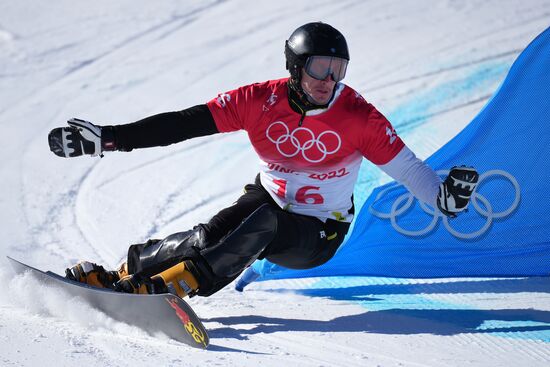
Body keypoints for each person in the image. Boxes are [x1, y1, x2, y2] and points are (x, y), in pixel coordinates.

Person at [47, 22, 479, 298]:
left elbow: (407, 168)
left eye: (338, 69)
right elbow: (183, 124)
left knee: (262, 225)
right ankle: (122, 273)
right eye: (320, 68)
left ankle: (170, 287)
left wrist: (441, 198)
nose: (330, 80)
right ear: (295, 67)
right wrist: (108, 139)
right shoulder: (258, 100)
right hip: (267, 199)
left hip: (319, 234)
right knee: (209, 233)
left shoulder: (358, 116)